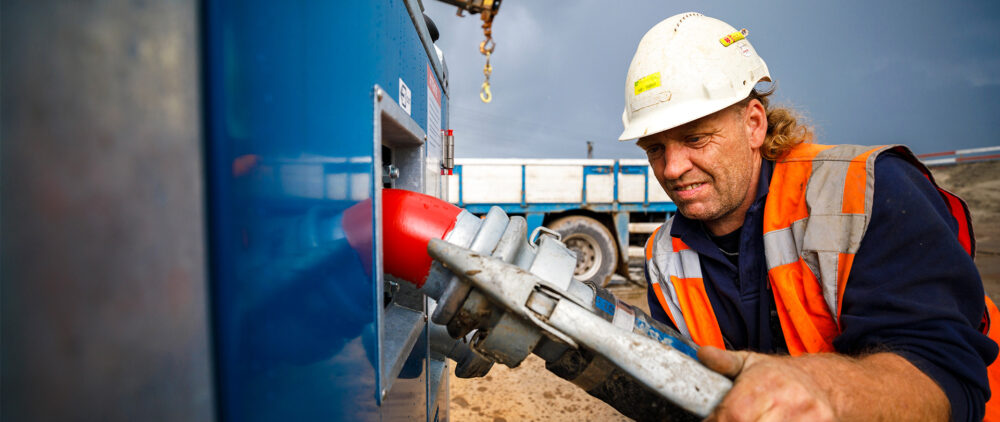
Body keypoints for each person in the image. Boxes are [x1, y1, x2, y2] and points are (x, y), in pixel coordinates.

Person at [619, 12, 1000, 421]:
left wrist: (820, 388)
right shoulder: (665, 255)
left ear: (753, 125)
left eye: (695, 138)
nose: (672, 168)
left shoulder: (868, 192)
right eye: (655, 148)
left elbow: (946, 377)